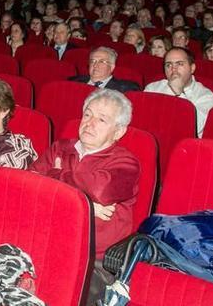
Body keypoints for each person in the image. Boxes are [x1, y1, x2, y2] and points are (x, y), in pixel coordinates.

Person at [29, 89, 139, 301]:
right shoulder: (60, 148)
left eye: (101, 119)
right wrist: (86, 205)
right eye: (87, 115)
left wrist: (54, 175)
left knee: (56, 296)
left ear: (118, 132)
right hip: (46, 242)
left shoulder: (126, 163)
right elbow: (29, 185)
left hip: (94, 259)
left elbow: (101, 190)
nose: (90, 123)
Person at [144, 47, 213, 137]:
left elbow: (197, 127)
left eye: (179, 64)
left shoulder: (206, 96)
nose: (173, 69)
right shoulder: (153, 88)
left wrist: (179, 93)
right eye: (168, 65)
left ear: (192, 68)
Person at [69, 47, 140, 93]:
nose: (95, 65)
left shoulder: (126, 89)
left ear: (112, 67)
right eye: (93, 61)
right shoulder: (73, 82)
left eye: (102, 61)